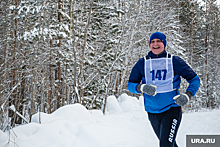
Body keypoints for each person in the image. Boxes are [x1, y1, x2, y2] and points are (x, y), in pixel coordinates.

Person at [127, 32, 200, 147]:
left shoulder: (174, 61)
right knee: (169, 144)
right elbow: (130, 85)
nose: (155, 44)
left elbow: (195, 79)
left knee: (165, 144)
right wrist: (141, 87)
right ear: (149, 44)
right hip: (152, 111)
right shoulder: (142, 63)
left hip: (172, 109)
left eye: (159, 41)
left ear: (164, 44)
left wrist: (187, 95)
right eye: (152, 41)